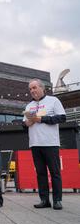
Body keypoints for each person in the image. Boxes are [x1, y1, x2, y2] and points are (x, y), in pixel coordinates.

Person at [24, 79, 66, 210]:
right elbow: (24, 124)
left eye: (34, 87)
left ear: (42, 88)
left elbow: (62, 118)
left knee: (55, 172)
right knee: (41, 173)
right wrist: (28, 123)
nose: (32, 91)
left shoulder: (53, 101)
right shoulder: (29, 105)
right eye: (30, 89)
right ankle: (44, 200)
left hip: (50, 143)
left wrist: (41, 119)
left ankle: (57, 200)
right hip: (35, 143)